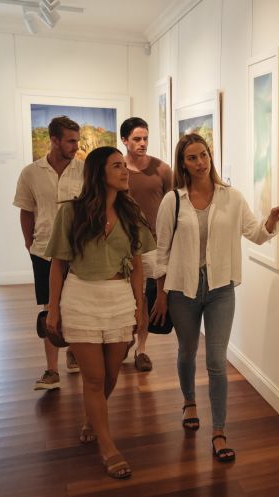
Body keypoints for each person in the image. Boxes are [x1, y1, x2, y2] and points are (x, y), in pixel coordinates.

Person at [151, 133, 279, 463]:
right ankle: (189, 401)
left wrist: (272, 219)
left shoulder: (231, 197)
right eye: (192, 158)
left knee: (216, 361)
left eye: (204, 155)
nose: (201, 163)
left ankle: (218, 431)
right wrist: (159, 294)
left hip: (220, 290)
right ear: (182, 163)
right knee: (187, 350)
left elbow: (257, 234)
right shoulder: (173, 200)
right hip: (182, 289)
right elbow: (161, 252)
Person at [44, 146, 155, 479]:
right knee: (93, 378)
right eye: (117, 166)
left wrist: (140, 308)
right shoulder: (72, 213)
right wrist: (53, 310)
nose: (125, 171)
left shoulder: (131, 212)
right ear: (99, 173)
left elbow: (137, 266)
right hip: (81, 297)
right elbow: (58, 264)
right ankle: (107, 446)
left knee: (110, 376)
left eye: (125, 165)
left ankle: (93, 418)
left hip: (119, 299)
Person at [13, 115, 83, 390]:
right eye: (71, 141)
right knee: (50, 310)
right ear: (54, 140)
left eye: (77, 140)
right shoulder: (30, 173)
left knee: (76, 307)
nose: (76, 146)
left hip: (78, 253)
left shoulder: (85, 170)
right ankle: (51, 370)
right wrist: (29, 244)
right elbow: (26, 211)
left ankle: (74, 352)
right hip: (43, 251)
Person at [121, 117, 173, 372]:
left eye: (145, 139)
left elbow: (175, 206)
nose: (142, 144)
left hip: (153, 245)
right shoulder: (117, 170)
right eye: (137, 139)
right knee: (126, 297)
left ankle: (141, 349)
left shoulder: (162, 170)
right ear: (124, 141)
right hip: (122, 245)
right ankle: (124, 339)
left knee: (145, 296)